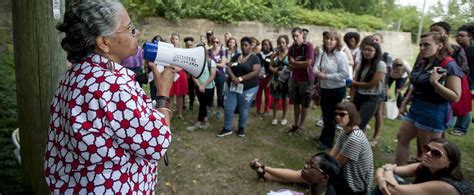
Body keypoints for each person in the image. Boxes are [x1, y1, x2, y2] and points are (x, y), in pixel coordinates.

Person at [44, 0, 174, 193]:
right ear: (104, 42)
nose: (136, 33)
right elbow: (156, 143)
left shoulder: (73, 75)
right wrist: (162, 94)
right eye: (129, 29)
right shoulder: (113, 85)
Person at [395, 32, 463, 165]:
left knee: (429, 150)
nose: (422, 48)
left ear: (440, 45)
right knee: (402, 137)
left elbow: (455, 97)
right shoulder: (422, 61)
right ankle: (398, 174)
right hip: (416, 107)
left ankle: (425, 181)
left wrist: (435, 84)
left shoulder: (449, 65)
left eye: (427, 45)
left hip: (434, 111)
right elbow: (415, 85)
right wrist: (405, 102)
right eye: (420, 45)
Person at [375, 138, 473, 195]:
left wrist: (388, 170)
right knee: (391, 179)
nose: (428, 154)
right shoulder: (424, 166)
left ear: (450, 163)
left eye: (436, 153)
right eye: (427, 148)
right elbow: (382, 168)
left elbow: (393, 191)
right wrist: (380, 178)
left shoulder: (447, 186)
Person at [217, 37, 260, 137]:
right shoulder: (236, 56)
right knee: (228, 107)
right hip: (232, 85)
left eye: (246, 45)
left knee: (243, 108)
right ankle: (227, 128)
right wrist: (233, 78)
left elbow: (255, 72)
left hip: (248, 87)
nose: (244, 47)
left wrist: (240, 79)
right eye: (242, 45)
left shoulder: (254, 58)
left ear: (250, 46)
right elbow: (228, 67)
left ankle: (241, 128)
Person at [314, 31, 349, 150]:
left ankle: (328, 141)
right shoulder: (322, 53)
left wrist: (327, 76)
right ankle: (324, 136)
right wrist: (317, 72)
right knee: (326, 114)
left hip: (336, 90)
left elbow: (344, 74)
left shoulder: (341, 56)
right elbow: (315, 66)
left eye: (332, 39)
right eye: (327, 39)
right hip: (324, 88)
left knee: (332, 116)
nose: (328, 41)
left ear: (337, 42)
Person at [329, 102, 373, 194]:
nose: (337, 117)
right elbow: (332, 155)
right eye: (335, 114)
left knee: (316, 176)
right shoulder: (345, 131)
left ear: (351, 116)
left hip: (354, 187)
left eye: (342, 114)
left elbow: (336, 164)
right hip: (344, 176)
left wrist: (319, 168)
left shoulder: (355, 138)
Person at [248, 152, 340, 195]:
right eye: (308, 163)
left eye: (312, 166)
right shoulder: (318, 188)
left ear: (324, 177)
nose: (305, 166)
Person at [351, 40, 387, 135]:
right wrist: (352, 99)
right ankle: (356, 144)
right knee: (353, 122)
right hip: (359, 96)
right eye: (365, 50)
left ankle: (357, 146)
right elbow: (355, 83)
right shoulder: (361, 64)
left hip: (371, 98)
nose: (366, 52)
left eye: (370, 50)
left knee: (360, 124)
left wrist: (354, 82)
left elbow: (371, 84)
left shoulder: (381, 65)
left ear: (376, 52)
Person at [286, 27, 315, 135]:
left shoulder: (308, 46)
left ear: (302, 34)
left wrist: (295, 63)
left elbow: (308, 63)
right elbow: (289, 63)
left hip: (306, 79)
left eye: (297, 36)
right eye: (293, 36)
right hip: (294, 78)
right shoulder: (292, 48)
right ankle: (296, 124)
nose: (295, 38)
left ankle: (301, 126)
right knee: (296, 102)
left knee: (305, 103)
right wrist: (297, 64)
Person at [449, 24, 474, 136]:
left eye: (462, 36)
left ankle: (461, 128)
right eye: (458, 36)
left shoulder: (472, 50)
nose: (459, 38)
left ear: (470, 37)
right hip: (457, 78)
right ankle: (451, 123)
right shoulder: (456, 49)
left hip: (469, 80)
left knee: (464, 103)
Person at [187, 48, 217, 131]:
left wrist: (203, 85)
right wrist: (199, 86)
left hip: (209, 87)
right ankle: (202, 120)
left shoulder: (211, 62)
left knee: (207, 104)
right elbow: (193, 75)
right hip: (199, 87)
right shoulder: (196, 63)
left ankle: (202, 121)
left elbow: (212, 76)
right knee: (202, 104)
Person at [269, 35, 290, 126]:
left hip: (286, 80)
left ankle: (284, 117)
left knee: (285, 99)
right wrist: (274, 70)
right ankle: (274, 117)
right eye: (279, 43)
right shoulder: (275, 54)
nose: (281, 45)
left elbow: (292, 66)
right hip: (276, 80)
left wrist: (285, 71)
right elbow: (270, 66)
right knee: (276, 99)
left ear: (286, 43)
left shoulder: (290, 54)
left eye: (283, 43)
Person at [169, 32, 188, 119]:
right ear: (170, 40)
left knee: (180, 96)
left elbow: (185, 63)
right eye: (173, 39)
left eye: (176, 39)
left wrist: (177, 69)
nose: (174, 40)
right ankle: (170, 113)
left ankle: (179, 113)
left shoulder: (183, 51)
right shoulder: (168, 50)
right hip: (170, 73)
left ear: (179, 41)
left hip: (180, 74)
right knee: (170, 95)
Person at [208, 36, 227, 119]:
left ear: (219, 43)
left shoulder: (222, 52)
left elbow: (223, 64)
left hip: (220, 75)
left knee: (220, 93)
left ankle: (219, 109)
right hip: (211, 75)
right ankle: (210, 108)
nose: (215, 44)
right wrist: (216, 64)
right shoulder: (208, 52)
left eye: (217, 42)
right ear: (211, 43)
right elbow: (207, 63)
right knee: (210, 93)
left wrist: (213, 64)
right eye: (214, 42)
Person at [255, 39, 274, 117]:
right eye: (263, 45)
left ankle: (266, 110)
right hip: (258, 78)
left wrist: (267, 75)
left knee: (267, 95)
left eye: (266, 45)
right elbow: (255, 66)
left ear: (270, 46)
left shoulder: (273, 55)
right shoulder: (258, 55)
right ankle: (258, 110)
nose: (264, 46)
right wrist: (258, 74)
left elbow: (273, 67)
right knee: (258, 94)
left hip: (268, 78)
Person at [184, 37, 196, 110]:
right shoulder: (183, 52)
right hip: (185, 74)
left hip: (192, 75)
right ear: (185, 45)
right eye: (188, 45)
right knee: (183, 90)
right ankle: (183, 104)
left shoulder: (194, 53)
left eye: (190, 45)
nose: (189, 46)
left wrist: (191, 73)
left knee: (191, 91)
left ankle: (191, 104)